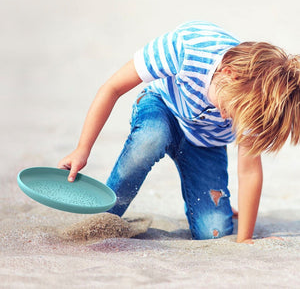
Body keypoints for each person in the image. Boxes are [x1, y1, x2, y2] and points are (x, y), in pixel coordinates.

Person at [58, 21, 300, 243]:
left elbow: (249, 173)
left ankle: (214, 206)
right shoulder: (187, 48)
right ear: (228, 74)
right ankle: (104, 216)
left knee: (213, 233)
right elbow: (112, 87)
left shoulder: (255, 106)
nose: (227, 118)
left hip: (205, 143)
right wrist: (83, 148)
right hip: (162, 108)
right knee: (149, 139)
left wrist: (244, 238)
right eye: (230, 109)